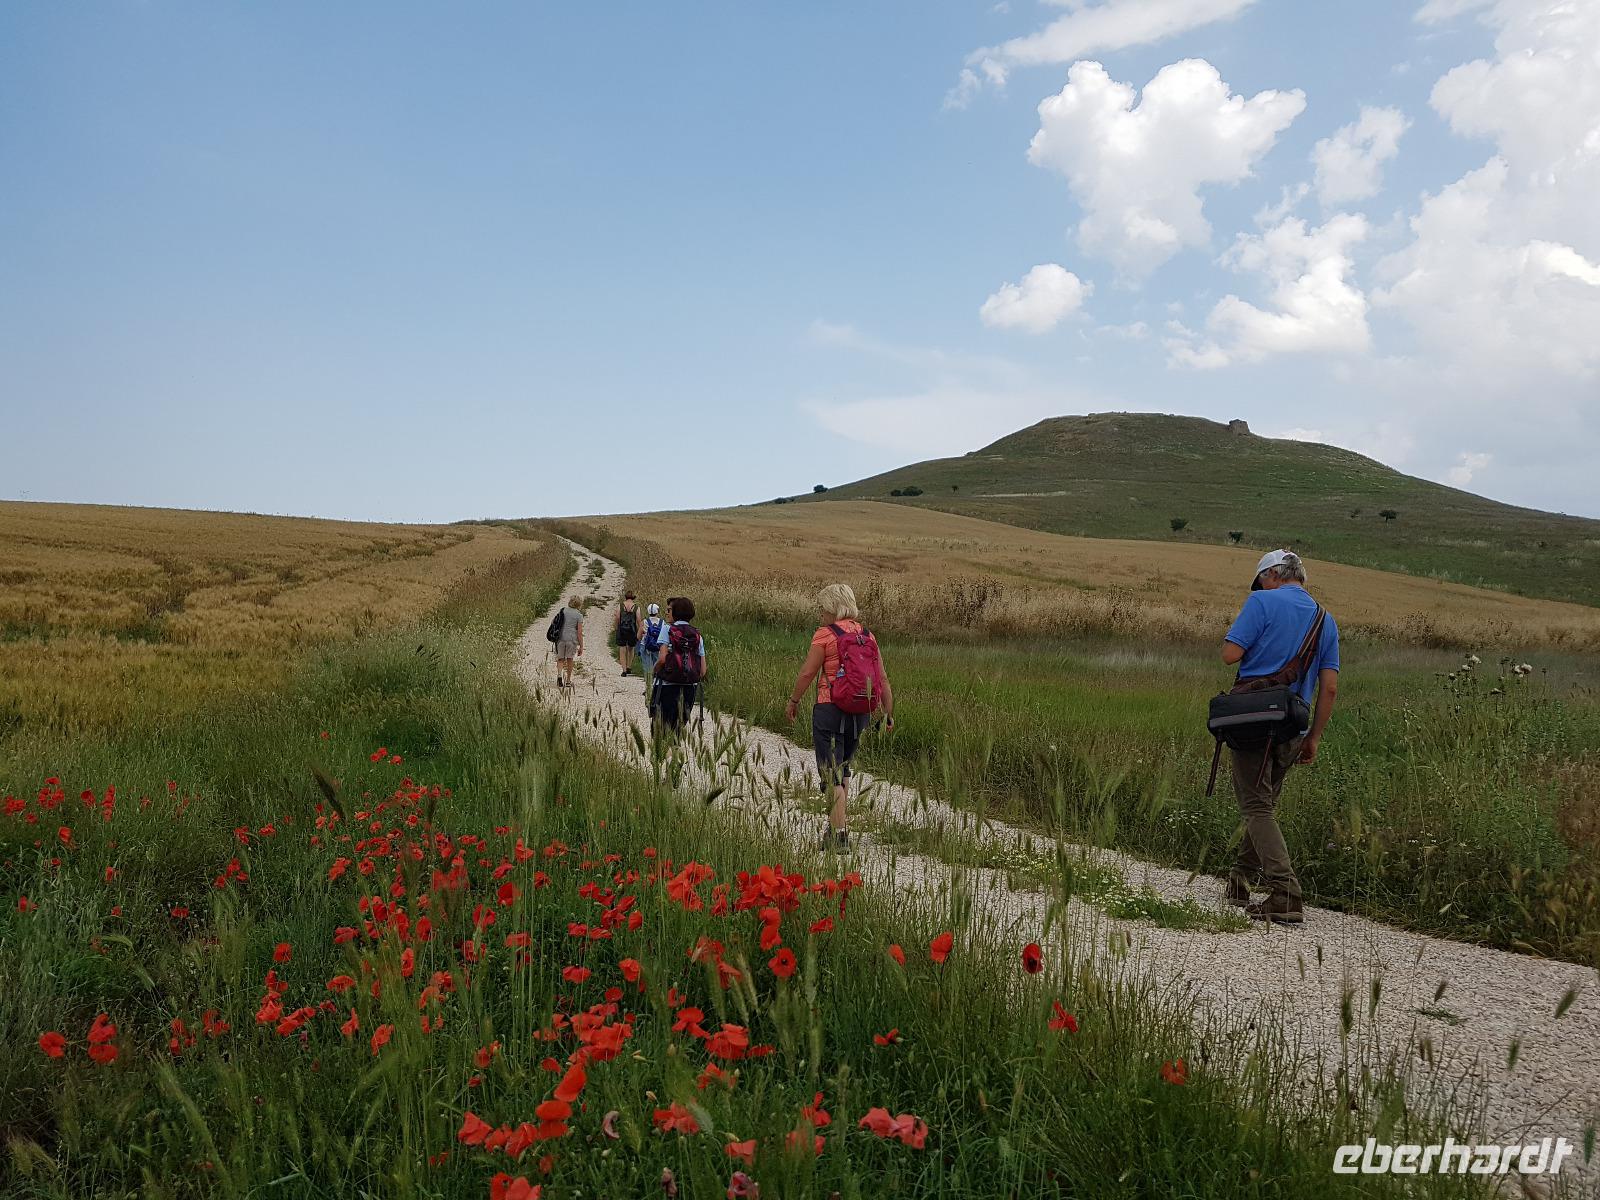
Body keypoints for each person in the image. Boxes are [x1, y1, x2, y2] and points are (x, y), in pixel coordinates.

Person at [1220, 549, 1339, 924]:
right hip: (1293, 725)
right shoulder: (1325, 620)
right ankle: (1239, 880)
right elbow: (1330, 687)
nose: (1260, 587)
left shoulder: (1261, 602)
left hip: (1252, 718)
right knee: (1264, 802)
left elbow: (1229, 654)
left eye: (1261, 580)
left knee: (1256, 806)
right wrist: (1314, 737)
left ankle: (1286, 893)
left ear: (1272, 574)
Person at [785, 583, 894, 852]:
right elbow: (882, 678)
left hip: (830, 709)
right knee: (843, 769)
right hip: (860, 713)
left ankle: (840, 835)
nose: (820, 613)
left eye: (823, 608)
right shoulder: (867, 635)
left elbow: (808, 673)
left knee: (831, 774)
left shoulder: (825, 634)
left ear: (833, 608)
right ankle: (836, 825)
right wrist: (888, 714)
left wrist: (794, 700)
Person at [651, 596, 705, 732]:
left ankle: (662, 754)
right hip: (689, 688)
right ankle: (674, 753)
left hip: (667, 686)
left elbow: (662, 659)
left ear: (676, 612)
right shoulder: (697, 635)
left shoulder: (667, 630)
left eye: (669, 610)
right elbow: (703, 670)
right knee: (677, 732)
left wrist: (654, 670)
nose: (667, 613)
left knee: (659, 731)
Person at [554, 596, 584, 688]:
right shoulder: (579, 615)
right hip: (571, 640)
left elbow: (554, 622)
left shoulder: (562, 611)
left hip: (561, 638)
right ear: (579, 604)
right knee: (570, 659)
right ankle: (568, 681)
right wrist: (581, 646)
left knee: (560, 659)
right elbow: (579, 632)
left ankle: (559, 676)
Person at [637, 601, 665, 688]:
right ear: (657, 611)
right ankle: (656, 686)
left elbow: (638, 636)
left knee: (647, 668)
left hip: (646, 647)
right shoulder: (662, 622)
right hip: (658, 647)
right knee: (657, 667)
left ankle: (648, 687)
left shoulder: (645, 621)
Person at [615, 591, 640, 676]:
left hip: (622, 629)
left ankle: (624, 670)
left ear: (625, 597)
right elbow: (638, 620)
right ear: (633, 597)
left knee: (622, 649)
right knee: (631, 648)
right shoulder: (636, 607)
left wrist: (617, 627)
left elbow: (617, 617)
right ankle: (629, 666)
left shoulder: (620, 606)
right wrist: (640, 630)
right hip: (632, 630)